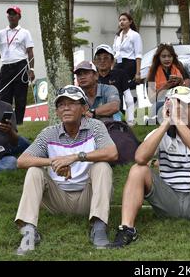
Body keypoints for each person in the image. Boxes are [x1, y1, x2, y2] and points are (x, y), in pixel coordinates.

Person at [107, 86, 190, 250]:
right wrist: (166, 124)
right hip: (168, 201)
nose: (178, 109)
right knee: (138, 169)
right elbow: (140, 158)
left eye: (184, 105)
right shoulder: (160, 133)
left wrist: (179, 124)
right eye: (175, 105)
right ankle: (127, 228)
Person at [14, 85, 118, 255]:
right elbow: (22, 161)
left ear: (84, 108)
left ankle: (99, 227)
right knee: (34, 171)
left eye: (72, 103)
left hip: (89, 198)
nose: (66, 108)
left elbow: (112, 153)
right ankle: (29, 232)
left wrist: (76, 157)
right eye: (61, 105)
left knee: (102, 166)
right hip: (58, 199)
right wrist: (54, 162)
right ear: (57, 111)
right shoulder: (49, 133)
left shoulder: (95, 126)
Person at [0, 6, 35, 125]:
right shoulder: (1, 33)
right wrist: (0, 56)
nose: (12, 16)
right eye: (10, 14)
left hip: (21, 66)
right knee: (5, 97)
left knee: (20, 97)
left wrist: (31, 69)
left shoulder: (25, 32)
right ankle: (5, 122)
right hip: (6, 67)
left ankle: (18, 123)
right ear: (8, 16)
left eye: (14, 14)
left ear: (19, 16)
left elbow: (30, 52)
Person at [93, 44, 135, 126]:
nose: (102, 61)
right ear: (94, 61)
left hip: (115, 113)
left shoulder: (120, 74)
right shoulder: (91, 77)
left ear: (112, 61)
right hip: (95, 114)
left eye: (106, 58)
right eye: (99, 58)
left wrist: (130, 119)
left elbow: (128, 98)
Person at [146, 43, 190, 114]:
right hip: (161, 102)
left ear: (173, 57)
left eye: (169, 56)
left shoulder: (179, 66)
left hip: (179, 100)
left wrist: (181, 83)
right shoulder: (152, 71)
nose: (167, 59)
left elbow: (187, 91)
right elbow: (152, 99)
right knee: (158, 107)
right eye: (163, 56)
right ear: (158, 57)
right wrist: (165, 86)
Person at [113, 12, 143, 90]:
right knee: (116, 86)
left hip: (129, 64)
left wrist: (138, 73)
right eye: (120, 20)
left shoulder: (135, 35)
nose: (121, 22)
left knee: (126, 88)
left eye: (124, 20)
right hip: (118, 63)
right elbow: (115, 53)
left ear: (130, 22)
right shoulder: (117, 36)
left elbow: (138, 55)